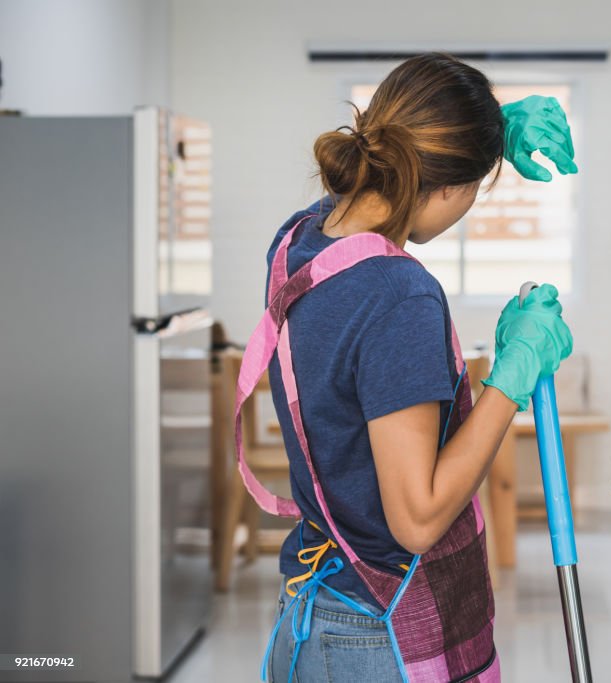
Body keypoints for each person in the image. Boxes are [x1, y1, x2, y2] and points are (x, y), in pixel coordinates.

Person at [238, 53, 577, 682]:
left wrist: (483, 130)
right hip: (376, 638)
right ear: (447, 184)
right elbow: (417, 520)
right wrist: (513, 374)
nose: (467, 207)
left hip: (313, 616)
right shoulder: (399, 294)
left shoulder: (301, 240)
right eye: (473, 189)